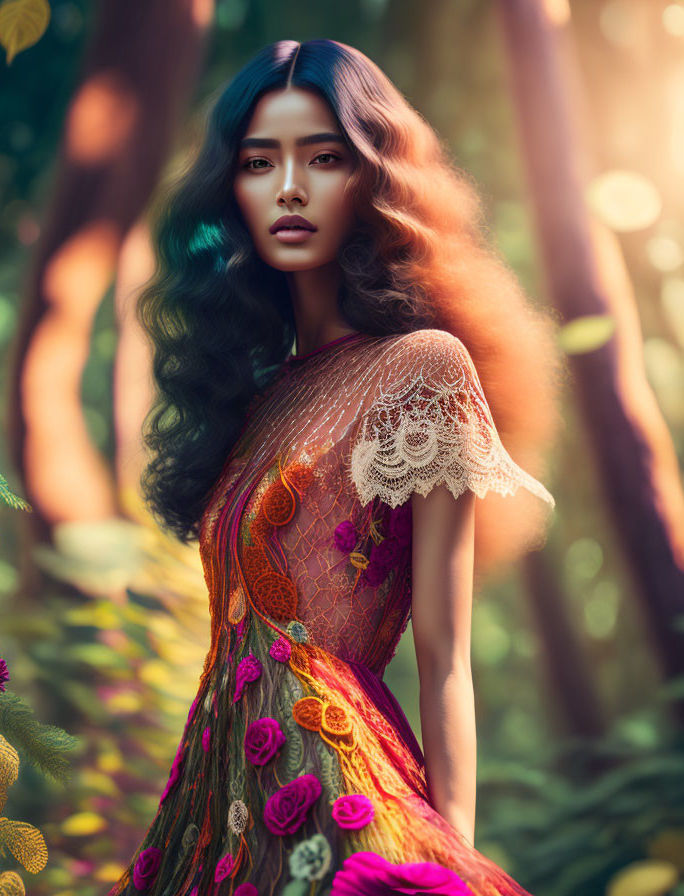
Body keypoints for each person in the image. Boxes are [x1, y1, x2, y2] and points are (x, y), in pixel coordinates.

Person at [107, 38, 563, 896]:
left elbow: (446, 652)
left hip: (344, 788)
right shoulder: (258, 401)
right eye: (258, 162)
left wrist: (449, 856)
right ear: (231, 191)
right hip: (218, 806)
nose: (289, 187)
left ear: (373, 181)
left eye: (323, 158)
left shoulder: (421, 368)